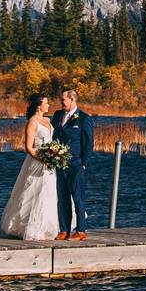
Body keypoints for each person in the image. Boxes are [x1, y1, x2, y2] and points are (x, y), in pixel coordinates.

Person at [0, 93, 76, 240]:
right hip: (38, 162)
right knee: (36, 192)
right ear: (38, 105)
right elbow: (29, 147)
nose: (48, 105)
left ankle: (55, 227)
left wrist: (55, 155)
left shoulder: (48, 120)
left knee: (53, 193)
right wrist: (44, 159)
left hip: (52, 162)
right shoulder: (32, 122)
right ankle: (33, 227)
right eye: (46, 103)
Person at [51, 88, 93, 241]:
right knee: (62, 198)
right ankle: (64, 230)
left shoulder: (83, 119)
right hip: (59, 163)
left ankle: (81, 230)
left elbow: (88, 144)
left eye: (63, 100)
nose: (61, 102)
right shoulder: (57, 115)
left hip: (76, 164)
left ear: (72, 100)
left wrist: (83, 164)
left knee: (78, 197)